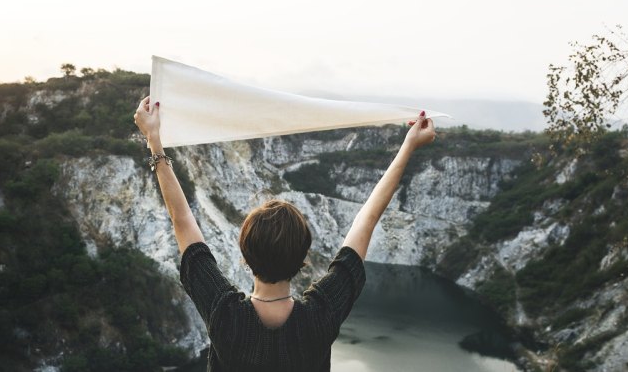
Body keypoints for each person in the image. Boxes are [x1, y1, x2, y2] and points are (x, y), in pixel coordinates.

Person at [133, 97, 436, 371]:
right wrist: (408, 147)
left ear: (244, 254)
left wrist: (154, 141)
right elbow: (367, 220)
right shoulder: (320, 317)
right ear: (303, 256)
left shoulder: (225, 316)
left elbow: (182, 221)